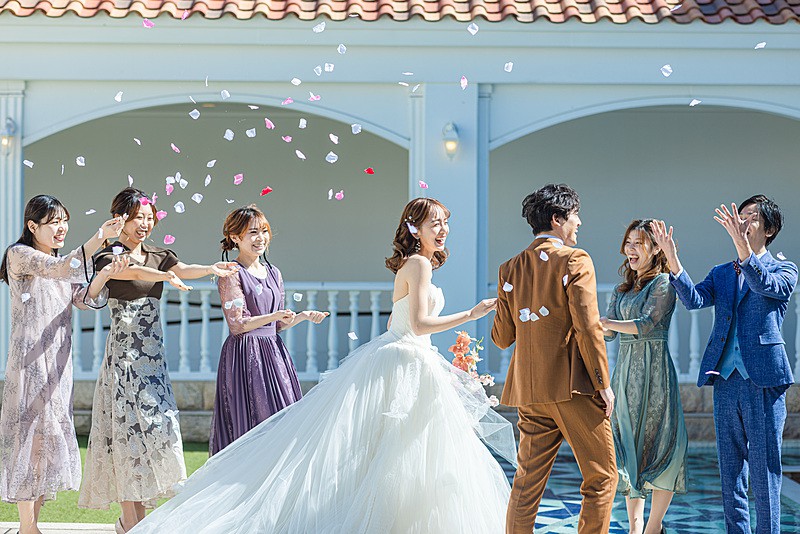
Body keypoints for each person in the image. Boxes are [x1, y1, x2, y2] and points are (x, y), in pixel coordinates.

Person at [128, 197, 516, 533]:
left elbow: (396, 323)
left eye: (445, 223)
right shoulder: (419, 265)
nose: (443, 229)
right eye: (435, 223)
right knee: (401, 449)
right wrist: (471, 314)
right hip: (391, 358)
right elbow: (416, 324)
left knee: (400, 449)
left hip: (403, 357)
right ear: (415, 229)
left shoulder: (414, 264)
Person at [77, 188, 239, 534]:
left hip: (153, 360)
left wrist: (210, 268)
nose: (145, 224)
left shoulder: (159, 255)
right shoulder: (108, 257)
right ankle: (130, 521)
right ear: (121, 218)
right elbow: (131, 275)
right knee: (124, 435)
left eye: (150, 218)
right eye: (139, 218)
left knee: (158, 431)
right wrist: (164, 277)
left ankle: (137, 518)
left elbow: (183, 268)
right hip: (123, 359)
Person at [651, 196, 796, 534]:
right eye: (740, 215)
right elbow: (694, 300)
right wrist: (672, 259)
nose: (743, 221)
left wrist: (743, 250)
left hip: (764, 380)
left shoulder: (784, 269)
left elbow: (764, 284)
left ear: (770, 229)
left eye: (752, 217)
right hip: (726, 380)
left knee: (764, 470)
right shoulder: (721, 273)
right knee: (730, 471)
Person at [492, 183, 617, 534]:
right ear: (557, 219)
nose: (579, 222)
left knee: (526, 483)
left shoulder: (509, 269)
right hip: (572, 388)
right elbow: (587, 327)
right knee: (603, 477)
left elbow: (501, 338)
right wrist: (603, 383)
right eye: (575, 215)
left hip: (530, 392)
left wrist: (507, 301)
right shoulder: (576, 259)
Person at [0, 195, 126, 534]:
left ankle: (32, 525)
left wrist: (104, 275)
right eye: (54, 222)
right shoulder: (20, 255)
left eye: (64, 221)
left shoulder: (62, 261)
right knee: (28, 437)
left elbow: (83, 298)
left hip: (58, 361)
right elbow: (58, 269)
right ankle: (27, 526)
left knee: (46, 440)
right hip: (29, 362)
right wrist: (99, 237)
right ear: (32, 226)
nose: (61, 228)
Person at [210, 205, 329, 455]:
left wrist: (302, 317)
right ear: (235, 237)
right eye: (253, 232)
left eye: (264, 231)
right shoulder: (231, 274)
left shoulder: (274, 273)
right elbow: (237, 324)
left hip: (274, 354)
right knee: (255, 422)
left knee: (284, 419)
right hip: (245, 355)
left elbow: (277, 326)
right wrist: (273, 316)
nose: (261, 238)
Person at [600, 219, 688, 534]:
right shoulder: (621, 289)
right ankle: (634, 527)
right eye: (628, 242)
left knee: (661, 446)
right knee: (627, 449)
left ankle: (653, 527)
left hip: (656, 376)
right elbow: (609, 335)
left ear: (655, 248)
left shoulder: (663, 282)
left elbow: (645, 324)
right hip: (625, 377)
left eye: (638, 243)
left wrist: (604, 322)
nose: (631, 249)